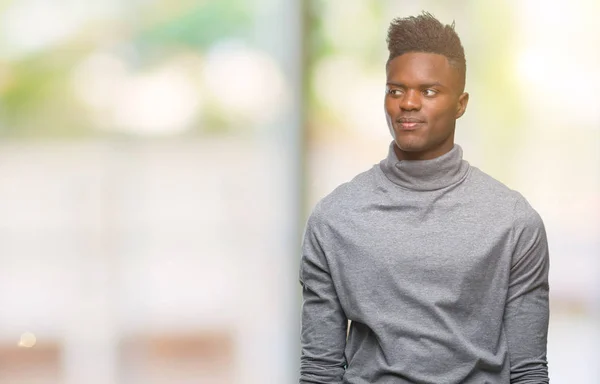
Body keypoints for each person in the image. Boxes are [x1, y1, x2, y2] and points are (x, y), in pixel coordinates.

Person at [298, 12, 549, 384]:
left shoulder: (513, 221)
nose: (408, 104)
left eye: (429, 91)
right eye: (395, 90)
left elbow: (529, 371)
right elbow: (319, 371)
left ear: (461, 104)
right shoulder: (334, 219)